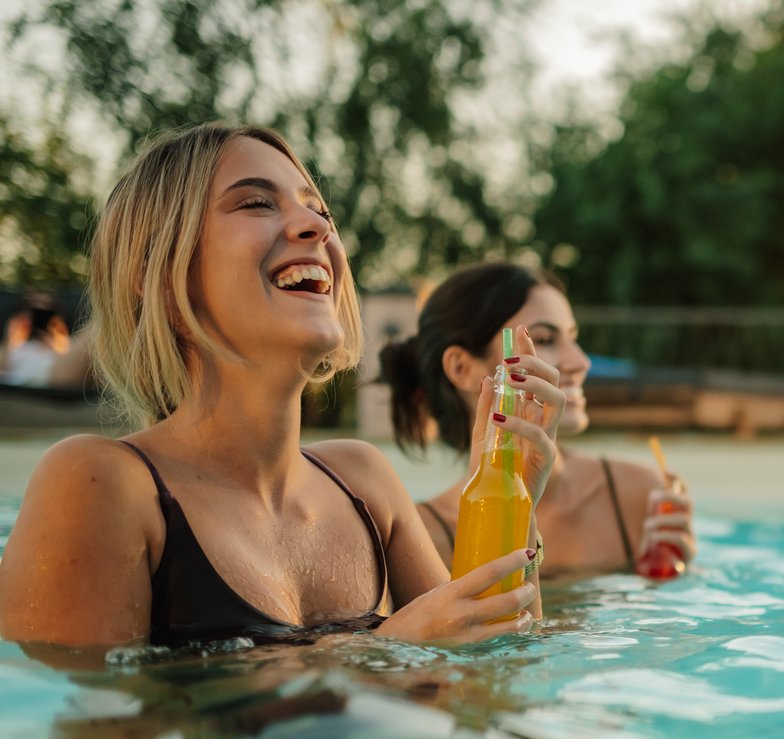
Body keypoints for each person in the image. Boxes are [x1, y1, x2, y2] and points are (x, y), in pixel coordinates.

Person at [0, 123, 565, 650]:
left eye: (319, 210)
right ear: (155, 272)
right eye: (255, 202)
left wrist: (510, 497)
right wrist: (383, 653)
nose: (318, 226)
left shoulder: (365, 483)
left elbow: (490, 684)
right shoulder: (97, 484)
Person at [381, 262, 696, 578]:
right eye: (545, 340)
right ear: (461, 368)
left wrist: (672, 573)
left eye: (573, 337)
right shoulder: (424, 539)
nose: (580, 362)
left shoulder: (636, 495)